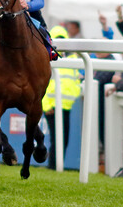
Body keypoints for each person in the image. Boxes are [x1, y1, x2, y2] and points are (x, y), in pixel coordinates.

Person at [42, 25, 82, 170]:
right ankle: (53, 167)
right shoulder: (47, 58)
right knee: (57, 139)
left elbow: (76, 80)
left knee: (63, 140)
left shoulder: (72, 58)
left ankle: (57, 166)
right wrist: (46, 105)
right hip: (52, 106)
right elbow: (41, 84)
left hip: (66, 105)